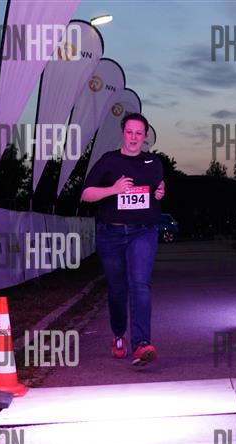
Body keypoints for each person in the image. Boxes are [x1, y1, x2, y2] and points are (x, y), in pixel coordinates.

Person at [81, 113, 165, 366]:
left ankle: (141, 344)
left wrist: (160, 193)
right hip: (111, 234)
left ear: (145, 136)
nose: (134, 137)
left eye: (139, 133)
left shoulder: (154, 162)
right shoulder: (109, 160)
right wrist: (114, 189)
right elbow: (86, 194)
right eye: (129, 132)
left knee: (140, 284)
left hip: (143, 231)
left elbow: (156, 190)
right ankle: (119, 334)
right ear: (123, 133)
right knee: (117, 290)